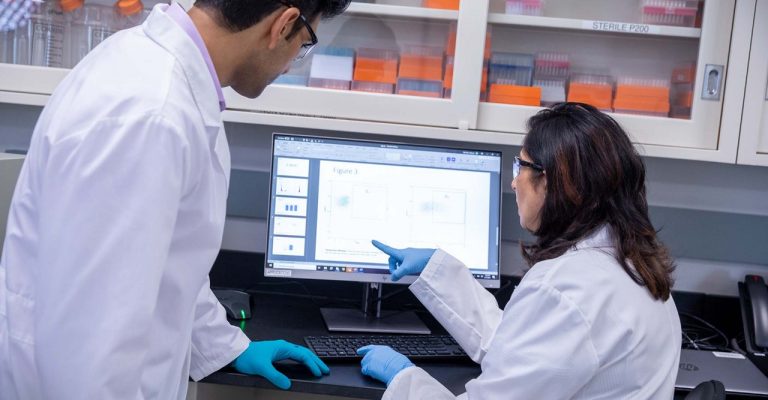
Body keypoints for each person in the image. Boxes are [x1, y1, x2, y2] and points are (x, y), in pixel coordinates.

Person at [0, 0, 349, 398]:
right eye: (304, 45)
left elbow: (168, 266)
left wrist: (230, 346)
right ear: (283, 25)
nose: (291, 66)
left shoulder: (152, 69)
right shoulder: (150, 116)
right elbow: (89, 351)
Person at [360, 102, 682, 399]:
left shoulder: (565, 289)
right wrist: (438, 270)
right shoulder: (633, 266)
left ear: (554, 182)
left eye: (521, 166)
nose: (514, 183)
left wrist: (405, 379)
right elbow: (524, 351)